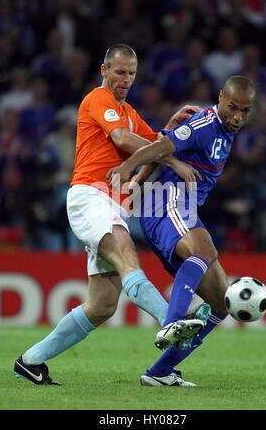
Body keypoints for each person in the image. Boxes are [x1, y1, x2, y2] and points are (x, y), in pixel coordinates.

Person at [13, 44, 204, 385]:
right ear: (104, 70)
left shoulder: (128, 111)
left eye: (131, 74)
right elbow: (123, 138)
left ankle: (31, 361)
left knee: (102, 305)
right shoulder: (97, 100)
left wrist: (172, 126)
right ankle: (170, 320)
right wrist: (171, 160)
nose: (125, 79)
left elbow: (156, 142)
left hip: (112, 204)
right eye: (119, 72)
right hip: (90, 196)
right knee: (128, 253)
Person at [108, 76, 256, 386]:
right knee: (205, 249)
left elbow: (165, 142)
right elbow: (160, 146)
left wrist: (140, 178)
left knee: (220, 303)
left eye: (245, 111)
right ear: (220, 98)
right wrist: (129, 171)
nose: (238, 117)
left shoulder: (227, 131)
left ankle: (160, 373)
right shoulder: (203, 123)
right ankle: (171, 322)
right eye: (232, 108)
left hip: (182, 211)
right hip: (167, 201)